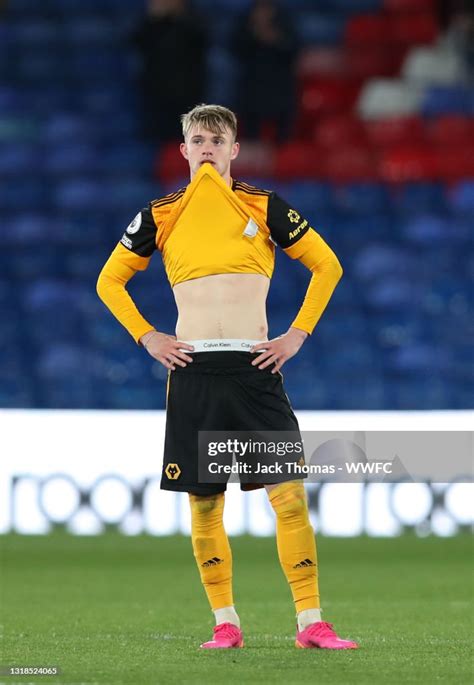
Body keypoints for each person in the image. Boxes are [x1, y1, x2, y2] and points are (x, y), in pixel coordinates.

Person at [97, 104, 358, 650]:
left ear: (235, 149)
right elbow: (109, 283)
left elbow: (327, 264)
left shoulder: (261, 204)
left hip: (255, 367)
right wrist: (147, 336)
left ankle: (310, 621)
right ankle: (226, 624)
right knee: (206, 504)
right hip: (193, 370)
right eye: (198, 138)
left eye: (218, 139)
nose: (208, 146)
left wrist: (297, 335)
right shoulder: (160, 213)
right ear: (184, 150)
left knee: (288, 498)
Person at [134, 0, 207, 142]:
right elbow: (138, 43)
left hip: (187, 97)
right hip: (155, 98)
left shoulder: (195, 21)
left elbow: (199, 43)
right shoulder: (151, 24)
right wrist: (153, 20)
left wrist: (179, 17)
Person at [232, 0, 298, 142]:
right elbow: (236, 48)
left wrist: (275, 39)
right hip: (252, 87)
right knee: (251, 136)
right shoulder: (245, 19)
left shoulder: (286, 20)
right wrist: (254, 34)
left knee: (283, 139)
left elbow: (294, 49)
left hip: (281, 87)